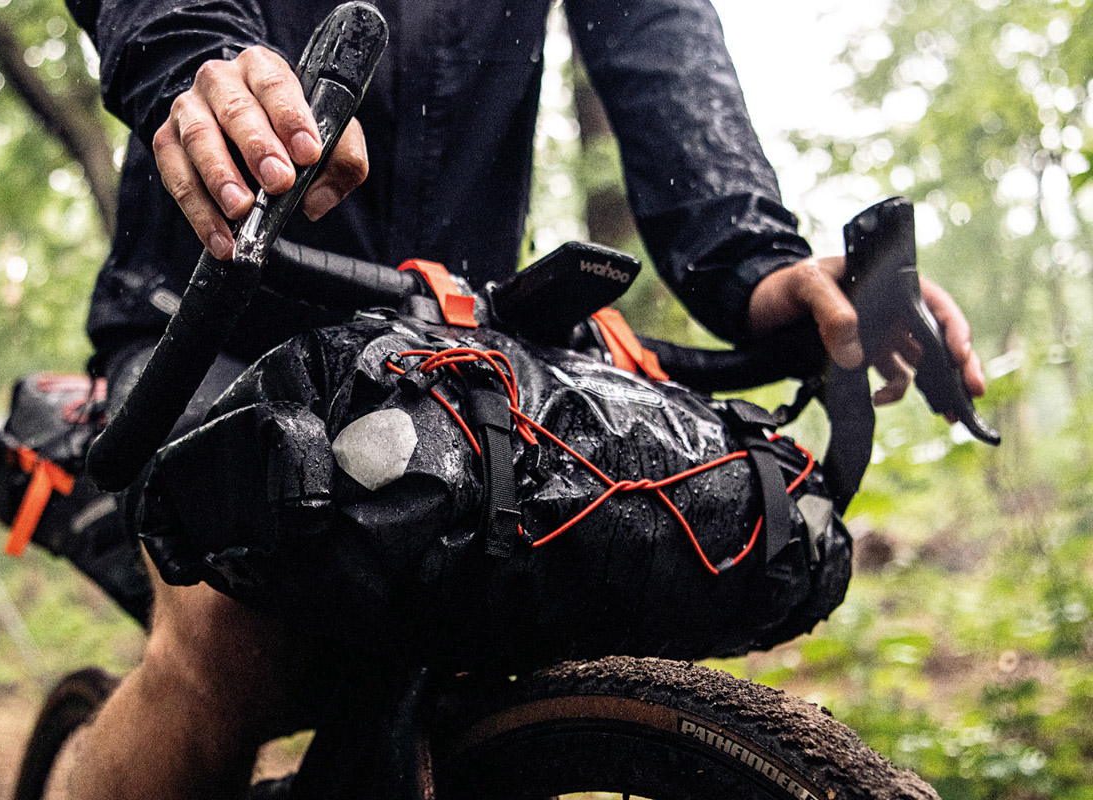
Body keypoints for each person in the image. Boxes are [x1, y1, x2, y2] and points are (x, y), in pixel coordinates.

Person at [60, 1, 987, 798]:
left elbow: (658, 37)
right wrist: (200, 64)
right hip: (213, 302)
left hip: (448, 343)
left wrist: (759, 265)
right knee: (231, 643)